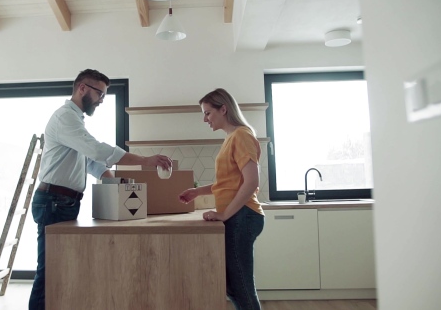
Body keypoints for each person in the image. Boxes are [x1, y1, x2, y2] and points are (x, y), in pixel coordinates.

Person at [28, 69, 172, 310]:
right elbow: (95, 150)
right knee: (49, 270)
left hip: (62, 201)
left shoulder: (75, 120)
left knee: (59, 268)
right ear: (82, 87)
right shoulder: (65, 117)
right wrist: (145, 160)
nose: (102, 101)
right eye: (100, 94)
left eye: (104, 96)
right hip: (54, 201)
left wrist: (111, 179)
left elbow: (89, 161)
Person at [178, 88, 265, 310]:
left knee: (241, 285)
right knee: (233, 285)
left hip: (243, 215)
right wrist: (198, 192)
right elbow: (228, 184)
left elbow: (251, 182)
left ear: (223, 109)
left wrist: (224, 214)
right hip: (239, 216)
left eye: (207, 113)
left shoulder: (242, 135)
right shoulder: (231, 138)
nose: (204, 118)